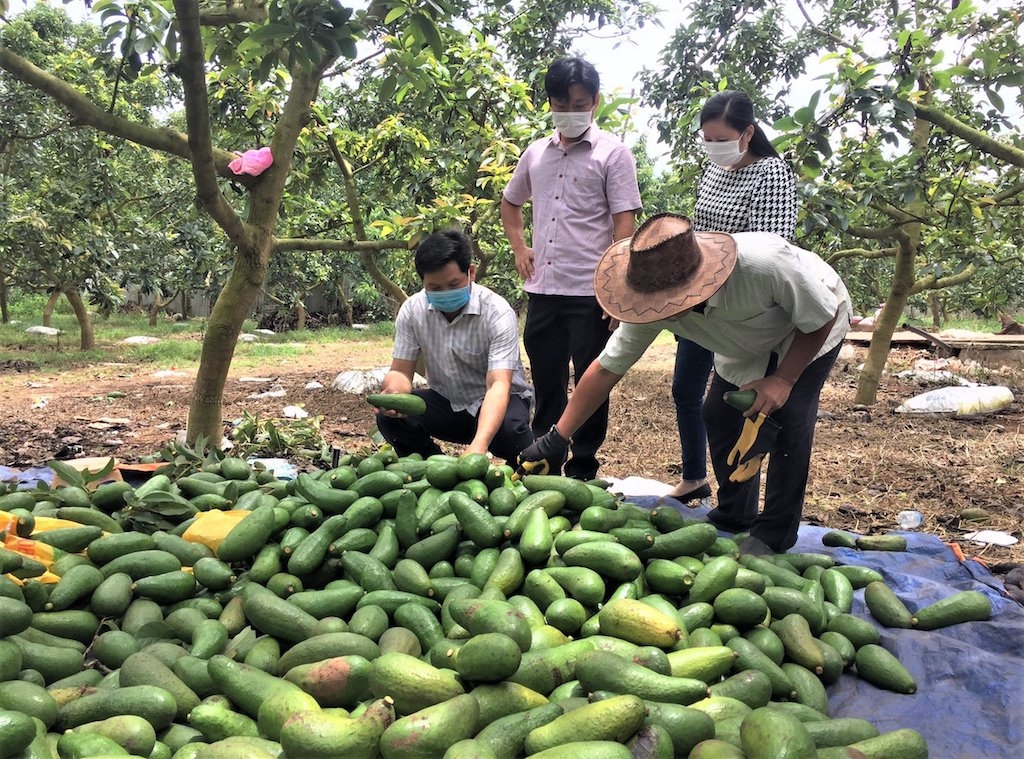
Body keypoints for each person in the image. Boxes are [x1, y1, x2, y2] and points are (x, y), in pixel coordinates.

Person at [517, 214, 851, 554]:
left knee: (788, 421)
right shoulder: (650, 298)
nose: (661, 310)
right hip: (743, 346)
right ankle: (735, 514)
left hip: (807, 330)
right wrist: (554, 439)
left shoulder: (765, 265)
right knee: (718, 414)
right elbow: (605, 370)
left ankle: (774, 534)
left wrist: (783, 379)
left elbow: (822, 315)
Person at [501, 56, 642, 481]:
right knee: (545, 381)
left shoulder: (613, 154)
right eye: (561, 103)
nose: (570, 111)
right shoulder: (535, 154)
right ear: (550, 103)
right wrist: (519, 245)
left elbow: (625, 224)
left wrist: (618, 288)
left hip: (591, 293)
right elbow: (511, 202)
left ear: (595, 102)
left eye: (579, 103)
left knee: (590, 383)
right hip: (543, 289)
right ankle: (544, 461)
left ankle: (583, 467)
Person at [669, 90, 798, 503]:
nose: (714, 147)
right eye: (707, 139)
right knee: (685, 389)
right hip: (702, 297)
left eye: (721, 139)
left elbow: (773, 248)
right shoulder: (713, 171)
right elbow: (701, 231)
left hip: (745, 305)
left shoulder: (772, 174)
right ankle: (694, 475)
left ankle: (740, 499)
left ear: (748, 133)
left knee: (736, 403)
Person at [373, 229, 533, 462]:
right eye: (435, 288)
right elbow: (400, 370)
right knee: (390, 419)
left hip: (497, 402)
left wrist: (479, 444)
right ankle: (430, 468)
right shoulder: (412, 311)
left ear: (471, 273)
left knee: (512, 436)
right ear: (423, 282)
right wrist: (394, 393)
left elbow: (499, 384)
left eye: (454, 284)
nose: (445, 293)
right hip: (447, 403)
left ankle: (515, 476)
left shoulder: (497, 313)